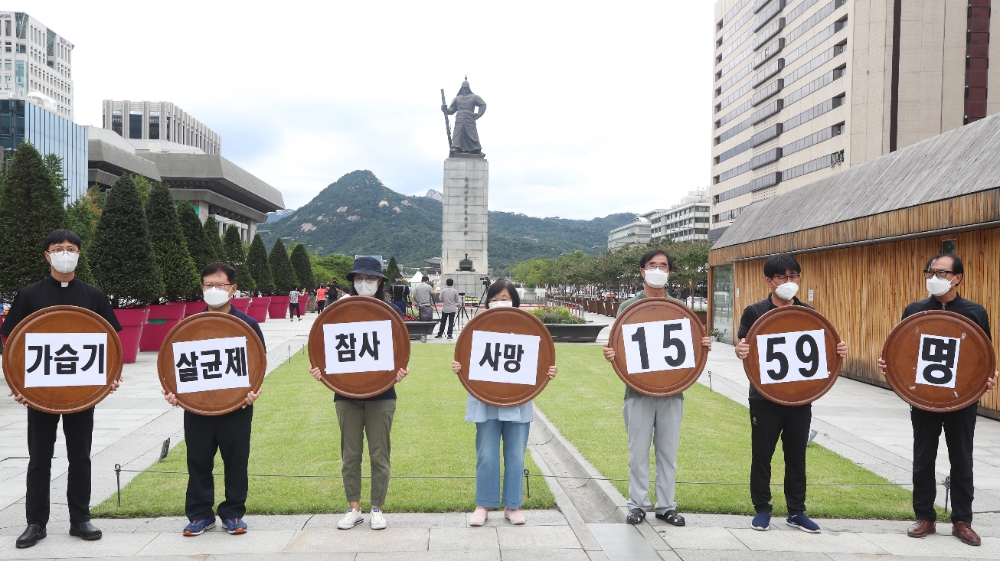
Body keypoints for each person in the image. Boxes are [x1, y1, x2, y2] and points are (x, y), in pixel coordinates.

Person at [2, 229, 123, 549]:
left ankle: (79, 519)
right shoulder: (29, 295)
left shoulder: (94, 295)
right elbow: (12, 341)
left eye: (71, 248)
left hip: (81, 392)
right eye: (59, 248)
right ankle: (35, 523)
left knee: (80, 456)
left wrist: (110, 376)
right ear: (47, 255)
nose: (65, 253)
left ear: (79, 254)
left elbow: (110, 342)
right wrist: (17, 382)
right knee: (39, 457)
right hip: (41, 392)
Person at [877, 253, 998, 547]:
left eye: (942, 273)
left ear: (957, 278)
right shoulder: (915, 309)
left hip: (961, 399)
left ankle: (962, 521)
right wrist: (891, 365)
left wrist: (988, 377)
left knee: (962, 457)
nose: (935, 277)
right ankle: (925, 517)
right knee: (923, 456)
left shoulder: (974, 312)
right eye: (930, 272)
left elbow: (983, 355)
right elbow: (904, 348)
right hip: (925, 397)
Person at [734, 253, 848, 534]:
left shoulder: (807, 311)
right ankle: (762, 509)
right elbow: (743, 343)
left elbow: (820, 347)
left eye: (793, 276)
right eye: (782, 277)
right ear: (769, 281)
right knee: (762, 454)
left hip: (799, 397)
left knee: (796, 456)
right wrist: (740, 349)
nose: (789, 281)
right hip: (764, 397)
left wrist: (837, 351)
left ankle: (796, 511)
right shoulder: (754, 311)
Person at [602, 248, 712, 527]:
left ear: (669, 272)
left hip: (672, 391)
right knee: (637, 453)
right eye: (653, 265)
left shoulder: (680, 309)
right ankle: (637, 505)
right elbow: (621, 346)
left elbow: (690, 349)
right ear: (642, 271)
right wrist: (612, 354)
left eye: (663, 266)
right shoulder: (627, 307)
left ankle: (666, 506)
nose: (658, 270)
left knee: (668, 452)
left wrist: (702, 346)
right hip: (636, 391)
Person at [162, 262, 264, 537]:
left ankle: (233, 513)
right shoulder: (189, 326)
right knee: (198, 460)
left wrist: (254, 389)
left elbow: (257, 365)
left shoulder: (248, 325)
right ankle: (199, 514)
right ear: (202, 288)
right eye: (209, 285)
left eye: (220, 285)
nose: (214, 290)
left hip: (237, 406)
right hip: (198, 407)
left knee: (236, 460)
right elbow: (172, 367)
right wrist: (173, 391)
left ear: (233, 289)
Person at [308, 256, 410, 531]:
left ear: (380, 282)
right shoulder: (338, 310)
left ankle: (377, 507)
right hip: (346, 396)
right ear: (352, 282)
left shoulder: (391, 312)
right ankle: (354, 508)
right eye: (359, 278)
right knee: (350, 455)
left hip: (382, 395)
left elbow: (400, 352)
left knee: (379, 454)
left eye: (370, 278)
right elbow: (324, 348)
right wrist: (322, 372)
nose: (364, 283)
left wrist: (398, 371)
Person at [451, 279, 557, 526]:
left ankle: (512, 505)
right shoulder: (478, 327)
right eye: (496, 298)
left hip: (517, 401)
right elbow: (465, 355)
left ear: (515, 302)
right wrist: (459, 366)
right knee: (486, 454)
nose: (500, 302)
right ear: (488, 301)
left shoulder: (527, 328)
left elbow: (541, 359)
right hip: (484, 399)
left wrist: (547, 372)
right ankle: (483, 505)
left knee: (516, 455)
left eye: (505, 298)